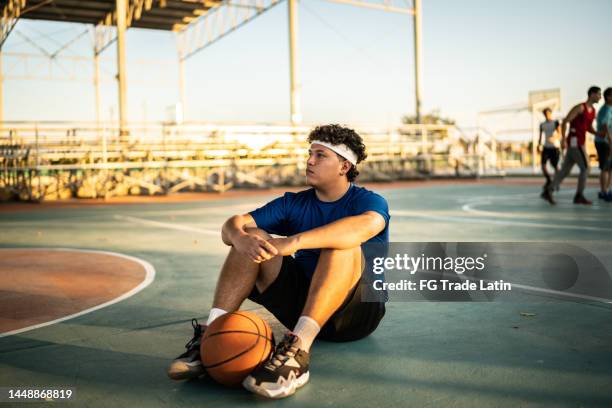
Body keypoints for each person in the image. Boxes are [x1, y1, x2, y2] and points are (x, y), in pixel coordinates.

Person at [167, 124, 390, 399]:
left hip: (355, 315)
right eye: (310, 153)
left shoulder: (370, 201)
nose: (309, 161)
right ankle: (211, 337)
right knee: (251, 236)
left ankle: (298, 354)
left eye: (320, 155)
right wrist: (238, 237)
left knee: (341, 244)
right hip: (302, 305)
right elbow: (233, 224)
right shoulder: (294, 203)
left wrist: (292, 241)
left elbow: (365, 227)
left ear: (344, 167)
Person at [542, 86, 601, 205]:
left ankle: (548, 191)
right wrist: (563, 139)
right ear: (592, 94)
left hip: (580, 142)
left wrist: (598, 133)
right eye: (599, 94)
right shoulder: (580, 108)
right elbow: (565, 121)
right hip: (575, 142)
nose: (600, 97)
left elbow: (588, 127)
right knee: (586, 168)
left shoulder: (593, 111)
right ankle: (579, 195)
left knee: (565, 170)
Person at [537, 108, 561, 195]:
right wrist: (538, 145)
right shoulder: (542, 124)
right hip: (546, 147)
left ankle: (556, 182)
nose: (547, 115)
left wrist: (554, 138)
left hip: (555, 147)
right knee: (543, 166)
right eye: (545, 113)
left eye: (548, 113)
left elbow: (560, 134)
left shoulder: (555, 123)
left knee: (555, 166)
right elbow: (540, 136)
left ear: (550, 113)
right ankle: (549, 180)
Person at [595, 87, 612, 201]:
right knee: (605, 167)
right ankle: (603, 191)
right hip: (603, 142)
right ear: (608, 97)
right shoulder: (605, 109)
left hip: (608, 141)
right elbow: (605, 125)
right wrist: (610, 139)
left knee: (610, 167)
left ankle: (607, 189)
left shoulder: (610, 109)